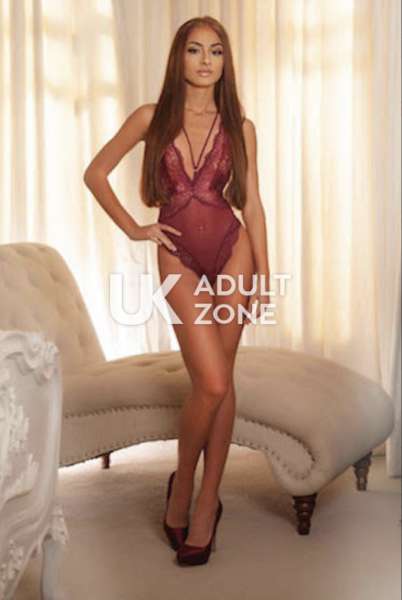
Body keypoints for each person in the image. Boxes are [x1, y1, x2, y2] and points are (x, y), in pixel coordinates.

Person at [83, 15, 270, 566]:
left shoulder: (240, 126)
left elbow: (251, 204)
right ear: (179, 57)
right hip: (177, 256)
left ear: (225, 62)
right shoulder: (151, 117)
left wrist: (262, 272)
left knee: (223, 380)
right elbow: (96, 172)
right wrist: (133, 228)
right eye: (195, 50)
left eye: (216, 51)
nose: (206, 60)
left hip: (232, 252)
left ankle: (207, 502)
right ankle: (182, 483)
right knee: (210, 382)